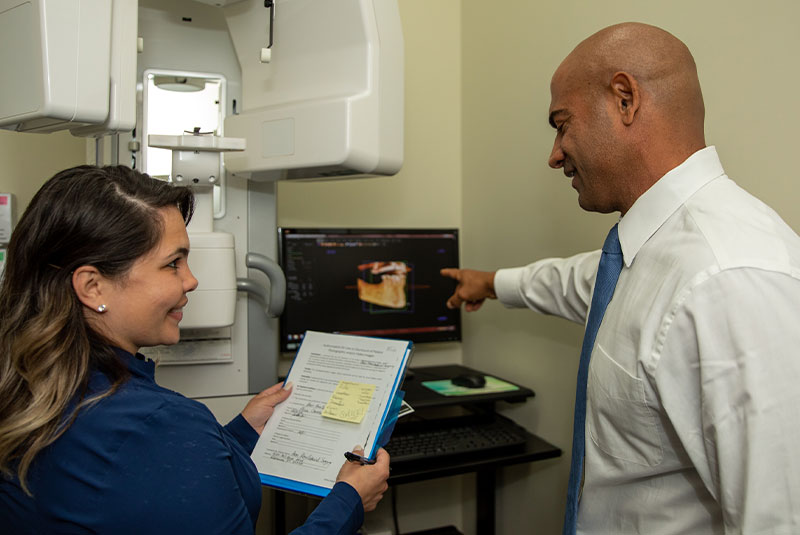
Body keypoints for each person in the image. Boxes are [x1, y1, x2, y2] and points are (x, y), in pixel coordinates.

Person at [442, 22, 800, 534]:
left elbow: (779, 519)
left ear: (625, 99)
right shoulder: (650, 252)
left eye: (562, 125)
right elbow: (581, 281)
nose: (554, 153)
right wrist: (491, 282)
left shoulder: (732, 277)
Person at [0, 165, 390, 534]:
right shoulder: (159, 423)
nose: (191, 281)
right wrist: (349, 500)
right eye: (173, 264)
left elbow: (131, 481)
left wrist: (238, 434)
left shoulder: (30, 386)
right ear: (93, 287)